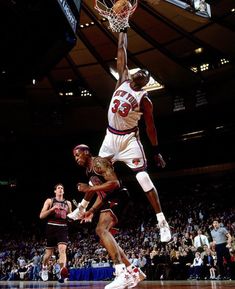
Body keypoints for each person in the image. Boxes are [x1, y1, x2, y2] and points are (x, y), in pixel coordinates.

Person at [98, 29, 171, 242]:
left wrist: (156, 151)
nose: (142, 73)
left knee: (142, 176)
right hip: (111, 136)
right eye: (141, 71)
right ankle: (86, 207)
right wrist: (122, 27)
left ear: (147, 82)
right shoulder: (122, 78)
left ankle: (162, 222)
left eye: (146, 75)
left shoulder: (145, 100)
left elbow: (151, 128)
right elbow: (121, 50)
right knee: (96, 170)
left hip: (129, 139)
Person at [67, 144, 146, 289]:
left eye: (78, 154)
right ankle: (134, 272)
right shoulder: (88, 171)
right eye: (74, 156)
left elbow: (114, 183)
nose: (76, 158)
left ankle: (122, 273)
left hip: (119, 196)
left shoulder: (98, 162)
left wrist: (89, 188)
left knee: (101, 230)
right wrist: (91, 210)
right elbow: (101, 194)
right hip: (109, 199)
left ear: (86, 152)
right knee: (103, 238)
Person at [39, 183, 72, 282]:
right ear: (55, 191)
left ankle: (62, 272)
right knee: (48, 254)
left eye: (62, 188)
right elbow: (41, 215)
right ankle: (44, 266)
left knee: (62, 249)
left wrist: (78, 213)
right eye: (58, 188)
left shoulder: (68, 203)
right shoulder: (50, 200)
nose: (60, 189)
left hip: (63, 227)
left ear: (64, 191)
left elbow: (70, 218)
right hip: (51, 227)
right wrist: (52, 209)